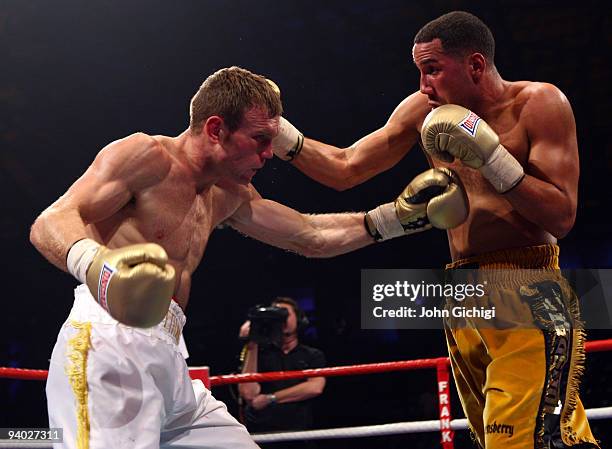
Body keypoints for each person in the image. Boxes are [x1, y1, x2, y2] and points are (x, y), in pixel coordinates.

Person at [29, 66, 468, 449]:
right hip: (109, 343)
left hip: (169, 357)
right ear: (216, 128)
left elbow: (309, 235)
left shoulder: (228, 192)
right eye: (259, 141)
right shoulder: (145, 157)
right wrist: (100, 268)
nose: (266, 155)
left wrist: (398, 218)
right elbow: (52, 221)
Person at [270, 11, 599, 449]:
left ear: (476, 66)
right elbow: (345, 167)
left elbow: (562, 217)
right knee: (530, 439)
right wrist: (273, 130)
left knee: (516, 441)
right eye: (420, 71)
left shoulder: (538, 104)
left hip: (528, 286)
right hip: (462, 292)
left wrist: (493, 159)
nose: (424, 85)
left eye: (433, 70)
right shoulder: (424, 110)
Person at [238, 297, 325, 445]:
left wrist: (271, 398)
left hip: (300, 434)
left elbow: (315, 387)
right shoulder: (258, 353)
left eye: (285, 314)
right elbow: (248, 393)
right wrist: (253, 342)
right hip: (263, 434)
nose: (281, 319)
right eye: (276, 315)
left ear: (298, 319)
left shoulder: (312, 355)